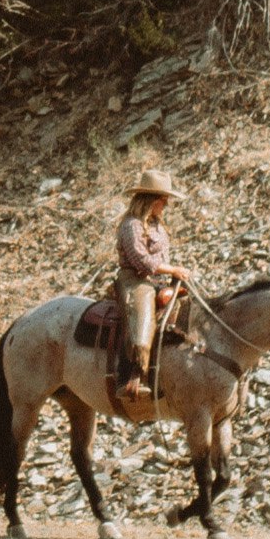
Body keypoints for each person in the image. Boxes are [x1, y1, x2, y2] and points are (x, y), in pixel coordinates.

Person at [111, 168, 192, 408]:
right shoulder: (131, 226)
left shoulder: (156, 225)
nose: (166, 205)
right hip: (135, 279)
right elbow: (141, 261)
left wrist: (174, 274)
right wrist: (172, 270)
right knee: (143, 311)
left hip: (158, 279)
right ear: (151, 201)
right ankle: (135, 372)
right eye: (163, 200)